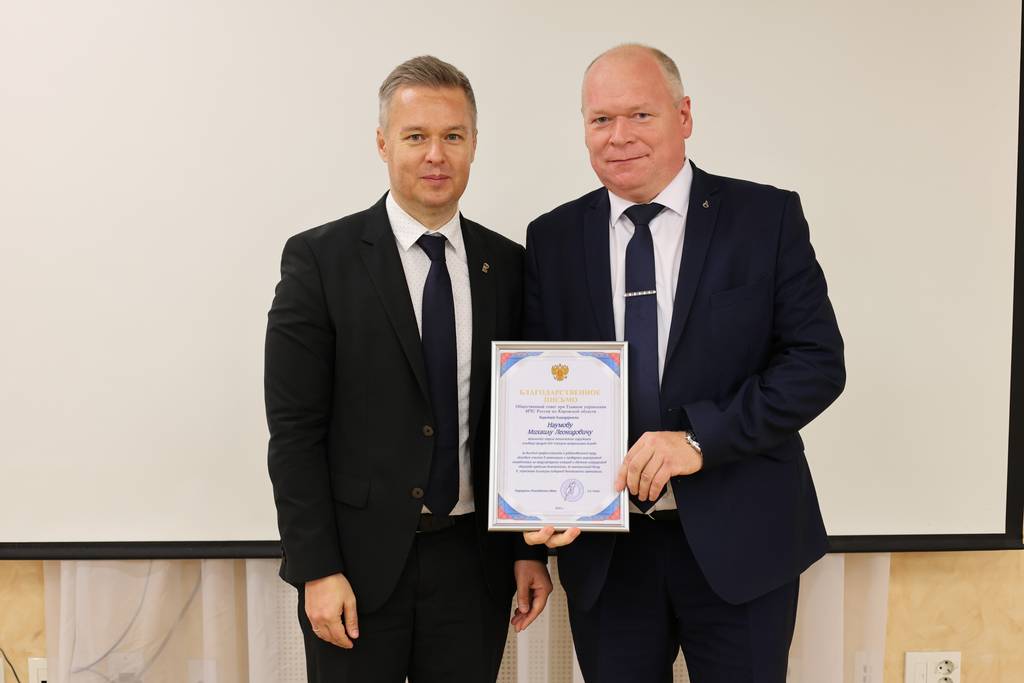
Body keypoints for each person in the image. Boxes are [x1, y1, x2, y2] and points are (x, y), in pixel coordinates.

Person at [523, 44, 845, 682]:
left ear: (684, 115)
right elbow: (538, 385)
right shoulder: (551, 238)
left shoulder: (765, 218)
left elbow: (815, 364)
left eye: (640, 115)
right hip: (607, 555)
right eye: (600, 119)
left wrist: (699, 439)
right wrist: (538, 502)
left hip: (743, 544)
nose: (619, 136)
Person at [265, 55, 551, 683]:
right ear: (382, 143)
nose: (435, 155)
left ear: (474, 143)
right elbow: (294, 432)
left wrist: (527, 550)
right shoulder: (319, 260)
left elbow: (522, 423)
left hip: (474, 568)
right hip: (356, 572)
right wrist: (317, 568)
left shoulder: (508, 266)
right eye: (416, 136)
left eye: (453, 136)